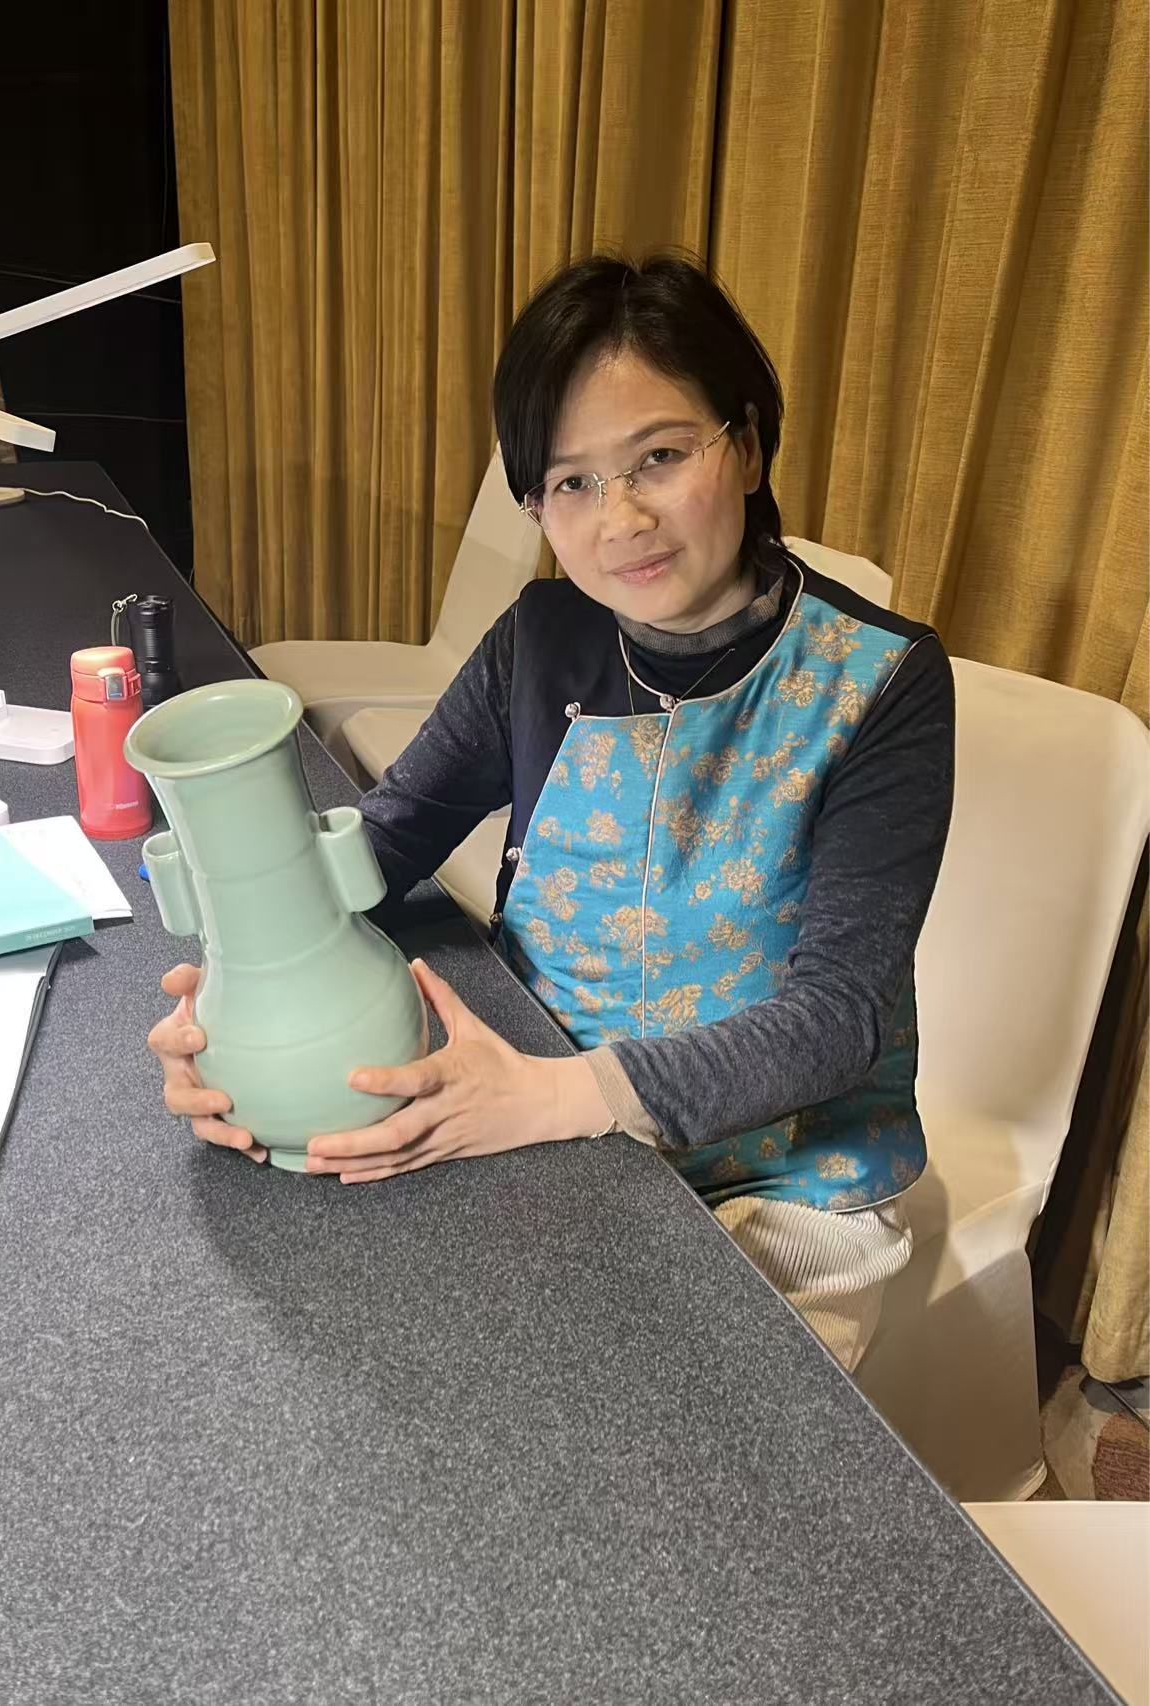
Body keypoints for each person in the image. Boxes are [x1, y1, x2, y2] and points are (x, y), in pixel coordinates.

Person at [148, 253, 955, 1372]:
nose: (620, 517)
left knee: (666, 1427)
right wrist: (239, 990)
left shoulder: (878, 679)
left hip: (781, 1175)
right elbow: (384, 843)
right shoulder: (540, 639)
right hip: (532, 1101)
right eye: (570, 482)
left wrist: (554, 1098)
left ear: (747, 444)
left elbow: (838, 1019)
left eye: (660, 455)